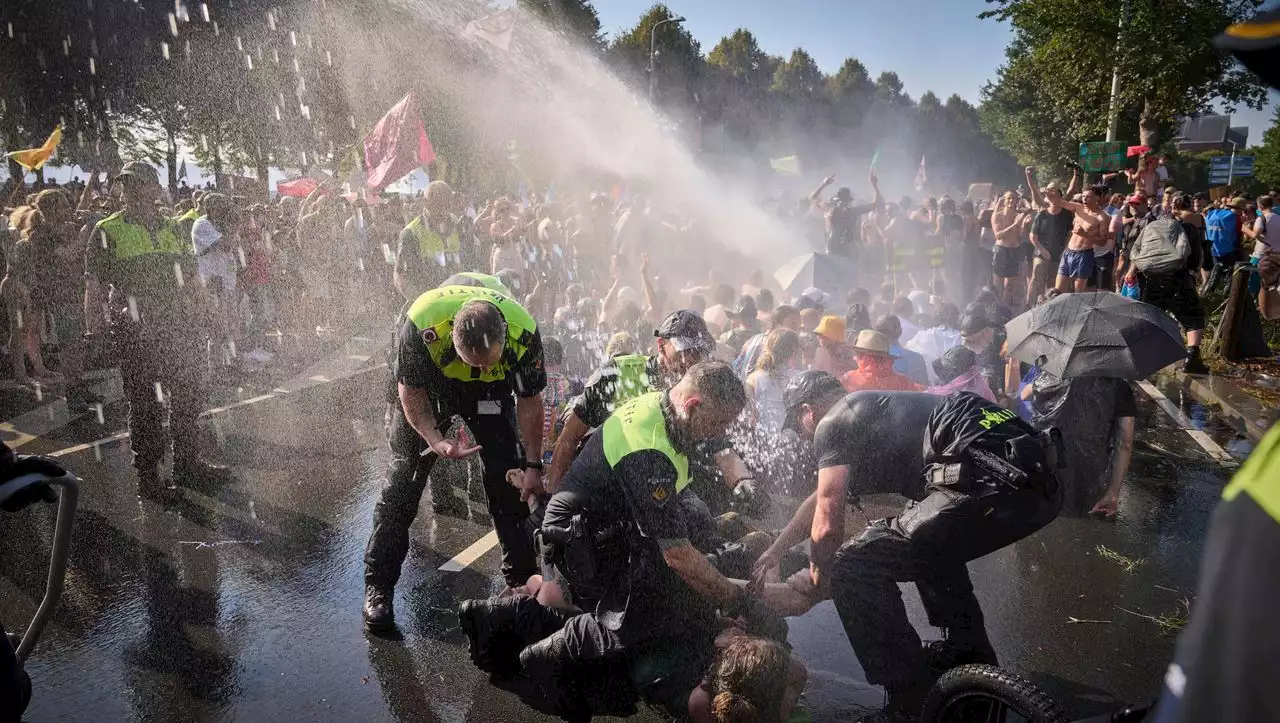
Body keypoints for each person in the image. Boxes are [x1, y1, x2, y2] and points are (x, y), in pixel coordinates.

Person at [753, 374, 1063, 721]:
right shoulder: (871, 411)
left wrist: (821, 574)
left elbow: (826, 524)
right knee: (928, 538)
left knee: (853, 564)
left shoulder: (832, 422)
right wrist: (778, 547)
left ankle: (908, 701)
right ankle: (969, 652)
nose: (804, 438)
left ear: (808, 411)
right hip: (1041, 488)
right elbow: (818, 500)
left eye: (799, 429)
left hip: (990, 482)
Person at [520, 364, 780, 720]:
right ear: (692, 404)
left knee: (686, 571)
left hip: (606, 527)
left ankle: (544, 596)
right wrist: (740, 601)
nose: (717, 434)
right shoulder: (649, 449)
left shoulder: (665, 410)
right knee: (646, 611)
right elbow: (677, 556)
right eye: (717, 423)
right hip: (577, 541)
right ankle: (544, 660)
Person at [362, 284, 548, 631]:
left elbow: (529, 401)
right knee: (404, 481)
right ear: (453, 340)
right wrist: (434, 439)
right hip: (434, 384)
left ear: (504, 338)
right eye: (471, 362)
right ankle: (378, 586)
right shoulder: (422, 327)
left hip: (490, 395)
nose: (477, 368)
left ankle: (522, 581)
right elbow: (410, 390)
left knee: (508, 477)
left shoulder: (524, 334)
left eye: (486, 362)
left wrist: (534, 465)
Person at [84, 162, 221, 495]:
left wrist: (208, 313)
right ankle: (149, 477)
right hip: (135, 330)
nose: (132, 190)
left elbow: (191, 280)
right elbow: (94, 286)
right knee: (145, 403)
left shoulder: (174, 229)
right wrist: (94, 328)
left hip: (178, 325)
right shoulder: (107, 229)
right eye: (127, 185)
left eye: (140, 183)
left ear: (155, 187)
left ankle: (189, 464)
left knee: (188, 393)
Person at [1026, 373, 1135, 518]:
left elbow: (1023, 395)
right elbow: (1124, 443)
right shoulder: (1120, 387)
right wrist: (1113, 492)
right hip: (1091, 479)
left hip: (1048, 469)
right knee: (1084, 522)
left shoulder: (1048, 378)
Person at [1125, 209, 1209, 374]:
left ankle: (1140, 355)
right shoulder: (1185, 228)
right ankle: (1192, 357)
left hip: (1151, 278)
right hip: (1177, 278)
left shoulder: (1149, 228)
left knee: (1149, 316)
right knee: (1193, 317)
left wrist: (1132, 272)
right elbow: (1195, 257)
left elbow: (1136, 252)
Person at [394, 180, 463, 303]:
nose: (443, 212)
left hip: (456, 298)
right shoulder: (411, 233)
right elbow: (400, 276)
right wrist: (422, 301)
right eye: (438, 206)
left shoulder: (455, 223)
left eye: (447, 207)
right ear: (425, 203)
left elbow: (465, 262)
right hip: (428, 301)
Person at [1024, 167, 1077, 302]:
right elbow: (1033, 236)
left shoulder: (1066, 213)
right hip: (1041, 253)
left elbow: (1069, 234)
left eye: (1054, 193)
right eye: (1049, 193)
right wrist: (1029, 177)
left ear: (1060, 195)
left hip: (1059, 253)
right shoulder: (1042, 212)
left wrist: (1065, 250)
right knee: (1037, 280)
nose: (1050, 195)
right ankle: (1030, 306)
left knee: (1052, 284)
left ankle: (1048, 306)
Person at [809, 172, 884, 259]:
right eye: (842, 201)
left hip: (845, 251)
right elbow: (813, 199)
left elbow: (876, 204)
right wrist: (824, 184)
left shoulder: (851, 212)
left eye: (845, 201)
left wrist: (874, 185)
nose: (843, 204)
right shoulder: (831, 210)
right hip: (833, 250)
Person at [1053, 184, 1110, 293]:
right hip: (1069, 252)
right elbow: (1058, 202)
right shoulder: (1078, 208)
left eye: (1088, 196)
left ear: (1097, 198)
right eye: (1083, 196)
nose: (1084, 199)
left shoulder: (1102, 217)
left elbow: (1103, 241)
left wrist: (1085, 234)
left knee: (1078, 292)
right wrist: (1048, 193)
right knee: (1058, 290)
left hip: (1084, 255)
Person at [745, 329, 800, 432]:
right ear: (794, 351)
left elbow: (752, 416)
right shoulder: (800, 377)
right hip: (792, 436)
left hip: (765, 436)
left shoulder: (753, 378)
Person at [840, 330, 922, 393]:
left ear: (863, 356)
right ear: (886, 358)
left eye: (858, 353)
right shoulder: (902, 382)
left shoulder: (849, 379)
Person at [1202, 197, 1244, 295]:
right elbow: (1238, 234)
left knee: (1215, 272)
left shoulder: (1212, 214)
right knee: (1230, 277)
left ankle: (1206, 295)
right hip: (1229, 249)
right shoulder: (1235, 218)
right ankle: (1226, 297)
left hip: (1214, 249)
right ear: (1239, 209)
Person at [990, 191, 1024, 303]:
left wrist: (1024, 226)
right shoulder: (997, 215)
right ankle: (995, 308)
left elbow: (1019, 237)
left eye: (1014, 198)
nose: (1011, 201)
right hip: (1001, 251)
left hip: (1014, 250)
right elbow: (998, 235)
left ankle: (1004, 311)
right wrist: (1015, 224)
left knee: (1009, 286)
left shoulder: (1018, 216)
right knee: (997, 285)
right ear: (1003, 200)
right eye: (1008, 198)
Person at [875, 315, 928, 386]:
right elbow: (925, 390)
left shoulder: (871, 360)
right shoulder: (918, 359)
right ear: (900, 332)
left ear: (876, 333)